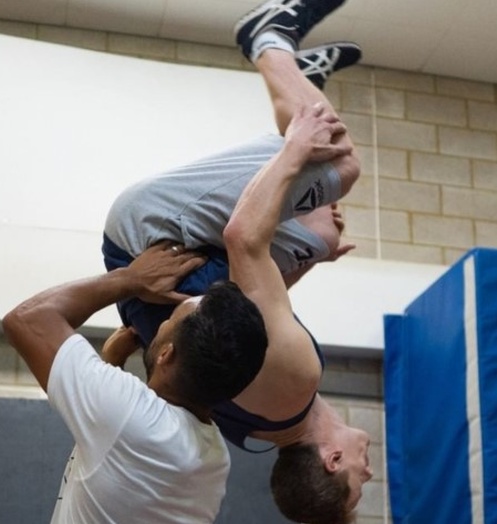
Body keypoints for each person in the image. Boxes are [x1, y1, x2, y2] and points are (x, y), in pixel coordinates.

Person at [101, 1, 373, 522]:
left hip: (152, 235)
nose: (370, 472)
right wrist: (313, 257)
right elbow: (244, 304)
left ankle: (266, 39)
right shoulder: (248, 428)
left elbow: (244, 237)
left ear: (332, 459)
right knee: (318, 231)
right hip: (165, 265)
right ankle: (299, 79)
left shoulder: (297, 378)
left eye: (359, 484)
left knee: (337, 158)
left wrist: (295, 151)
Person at [2, 241, 269, 523]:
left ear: (166, 353)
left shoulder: (129, 417)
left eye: (170, 319)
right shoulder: (214, 458)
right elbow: (111, 448)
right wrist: (111, 365)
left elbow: (26, 320)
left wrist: (130, 278)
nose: (162, 324)